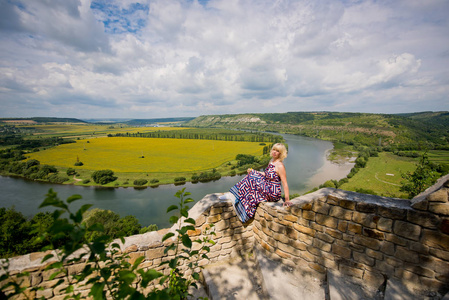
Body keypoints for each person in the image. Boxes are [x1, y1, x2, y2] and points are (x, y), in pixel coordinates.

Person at [220, 143, 292, 223]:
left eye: (277, 151)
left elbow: (285, 183)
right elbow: (266, 174)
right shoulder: (271, 161)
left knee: (252, 178)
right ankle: (234, 194)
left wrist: (287, 200)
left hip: (273, 192)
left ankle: (234, 195)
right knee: (251, 174)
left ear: (281, 153)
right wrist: (254, 171)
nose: (274, 152)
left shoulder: (280, 166)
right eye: (274, 149)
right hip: (267, 185)